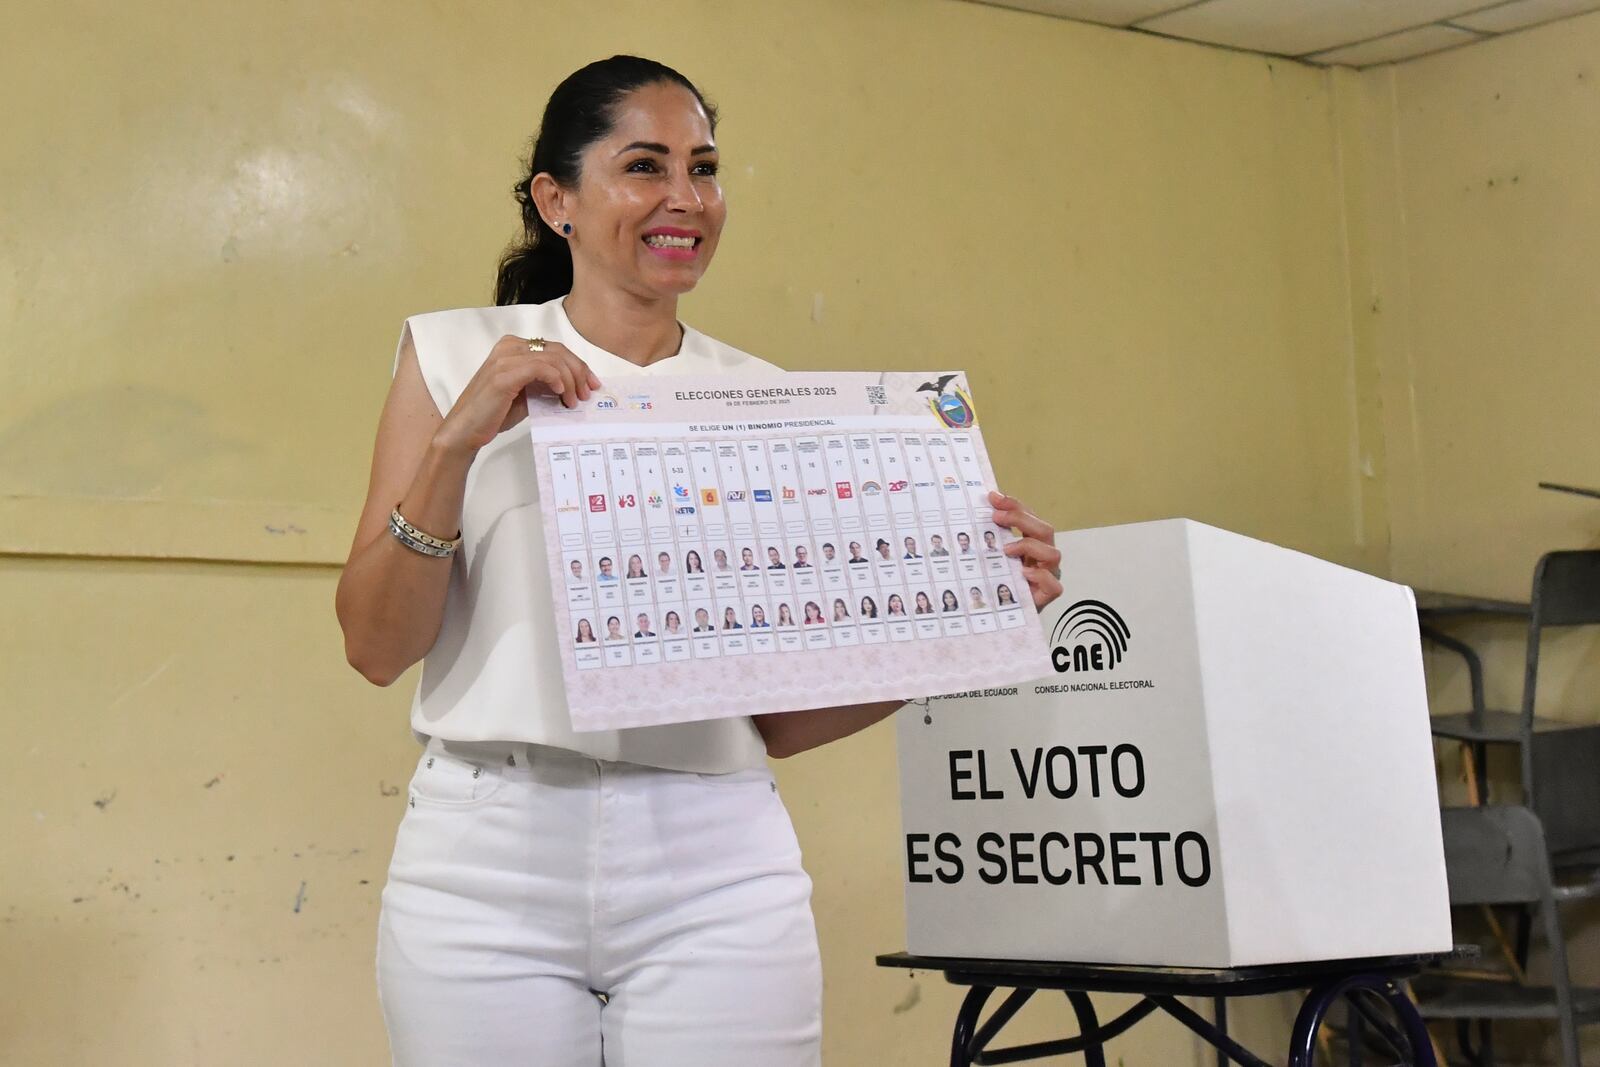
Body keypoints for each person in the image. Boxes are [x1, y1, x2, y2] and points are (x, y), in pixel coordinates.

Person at [337, 54, 1063, 1067]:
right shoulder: (454, 356)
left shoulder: (763, 397)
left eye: (704, 168)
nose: (684, 198)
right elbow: (376, 645)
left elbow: (780, 719)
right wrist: (458, 443)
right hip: (484, 855)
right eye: (644, 166)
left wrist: (966, 614)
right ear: (558, 201)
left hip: (715, 857)